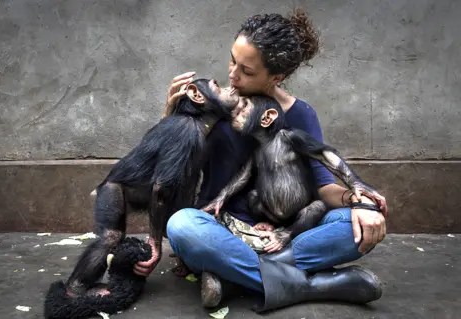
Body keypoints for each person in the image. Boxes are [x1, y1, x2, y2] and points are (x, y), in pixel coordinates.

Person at [135, 8, 388, 312]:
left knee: (353, 226)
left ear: (276, 77)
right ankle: (307, 285)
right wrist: (171, 117)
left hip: (283, 234)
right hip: (220, 231)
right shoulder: (213, 103)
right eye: (233, 60)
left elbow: (323, 189)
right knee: (182, 225)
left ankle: (234, 276)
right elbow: (168, 172)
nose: (232, 75)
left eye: (247, 71)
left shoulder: (300, 115)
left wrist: (359, 202)